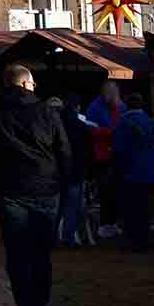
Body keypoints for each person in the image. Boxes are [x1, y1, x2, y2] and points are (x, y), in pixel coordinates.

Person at [0, 64, 71, 306]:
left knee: (17, 252)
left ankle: (25, 303)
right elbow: (64, 150)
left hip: (9, 191)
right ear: (26, 84)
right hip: (45, 189)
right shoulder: (47, 112)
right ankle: (40, 302)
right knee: (41, 252)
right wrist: (64, 182)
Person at [112, 93, 154, 251]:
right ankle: (144, 239)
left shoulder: (123, 122)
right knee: (144, 207)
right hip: (147, 171)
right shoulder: (150, 122)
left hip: (129, 171)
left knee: (131, 208)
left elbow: (119, 148)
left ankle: (133, 239)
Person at [86, 80, 125, 239]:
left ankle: (113, 223)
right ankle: (104, 224)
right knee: (105, 191)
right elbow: (91, 130)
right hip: (102, 156)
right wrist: (112, 132)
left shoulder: (120, 106)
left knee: (116, 192)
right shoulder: (95, 107)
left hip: (118, 155)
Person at [58, 94, 93, 247]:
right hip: (76, 173)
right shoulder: (82, 127)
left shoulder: (57, 125)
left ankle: (54, 237)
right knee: (73, 207)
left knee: (58, 208)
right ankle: (69, 238)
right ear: (78, 108)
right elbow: (89, 153)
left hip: (57, 172)